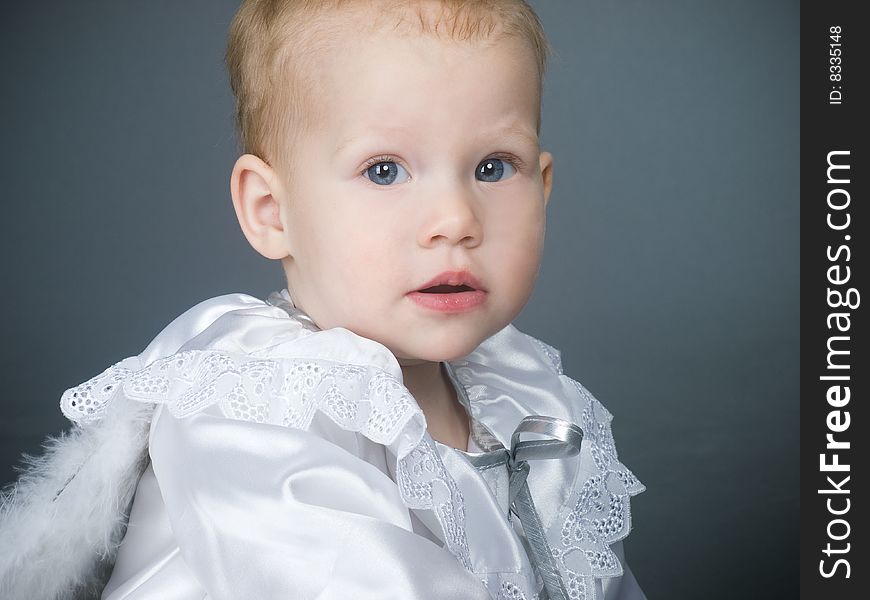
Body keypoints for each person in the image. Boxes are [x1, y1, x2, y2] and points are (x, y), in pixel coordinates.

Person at [0, 1, 645, 598]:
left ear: (544, 188)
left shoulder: (523, 393)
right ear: (272, 211)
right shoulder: (254, 411)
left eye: (495, 166)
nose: (454, 218)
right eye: (384, 170)